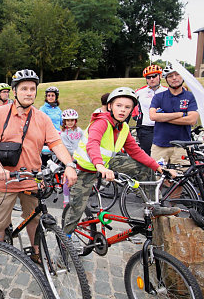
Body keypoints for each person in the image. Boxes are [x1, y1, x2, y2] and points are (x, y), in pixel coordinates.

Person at [0, 69, 77, 274]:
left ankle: (35, 252)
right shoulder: (0, 114)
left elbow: (56, 143)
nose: (29, 93)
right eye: (24, 88)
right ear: (15, 91)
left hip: (30, 179)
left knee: (34, 220)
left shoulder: (41, 118)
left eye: (32, 89)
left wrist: (69, 165)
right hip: (4, 181)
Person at [63, 87, 175, 236]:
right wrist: (100, 167)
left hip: (106, 164)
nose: (122, 110)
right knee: (77, 207)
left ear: (132, 110)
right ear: (110, 106)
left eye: (127, 107)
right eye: (118, 105)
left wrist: (158, 168)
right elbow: (93, 144)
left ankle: (153, 206)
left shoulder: (124, 128)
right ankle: (66, 239)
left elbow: (135, 151)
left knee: (144, 168)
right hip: (86, 168)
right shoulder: (101, 122)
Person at [149, 64, 199, 165]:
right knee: (158, 177)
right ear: (166, 79)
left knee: (182, 177)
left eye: (177, 74)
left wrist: (163, 117)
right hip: (160, 145)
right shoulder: (158, 97)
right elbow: (153, 116)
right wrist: (180, 114)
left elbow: (192, 120)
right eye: (170, 76)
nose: (174, 78)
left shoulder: (190, 97)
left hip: (182, 146)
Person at [133, 65, 168, 155]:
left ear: (160, 76)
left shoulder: (167, 91)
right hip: (145, 127)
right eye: (148, 77)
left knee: (162, 153)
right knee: (148, 154)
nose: (151, 79)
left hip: (163, 127)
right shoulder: (139, 92)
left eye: (154, 76)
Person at [60, 109, 84, 207]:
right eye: (68, 120)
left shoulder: (80, 131)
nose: (70, 122)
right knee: (67, 178)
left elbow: (83, 142)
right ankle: (66, 199)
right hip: (69, 158)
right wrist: (76, 154)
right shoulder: (64, 134)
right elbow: (68, 148)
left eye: (72, 120)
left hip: (80, 157)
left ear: (75, 121)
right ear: (64, 122)